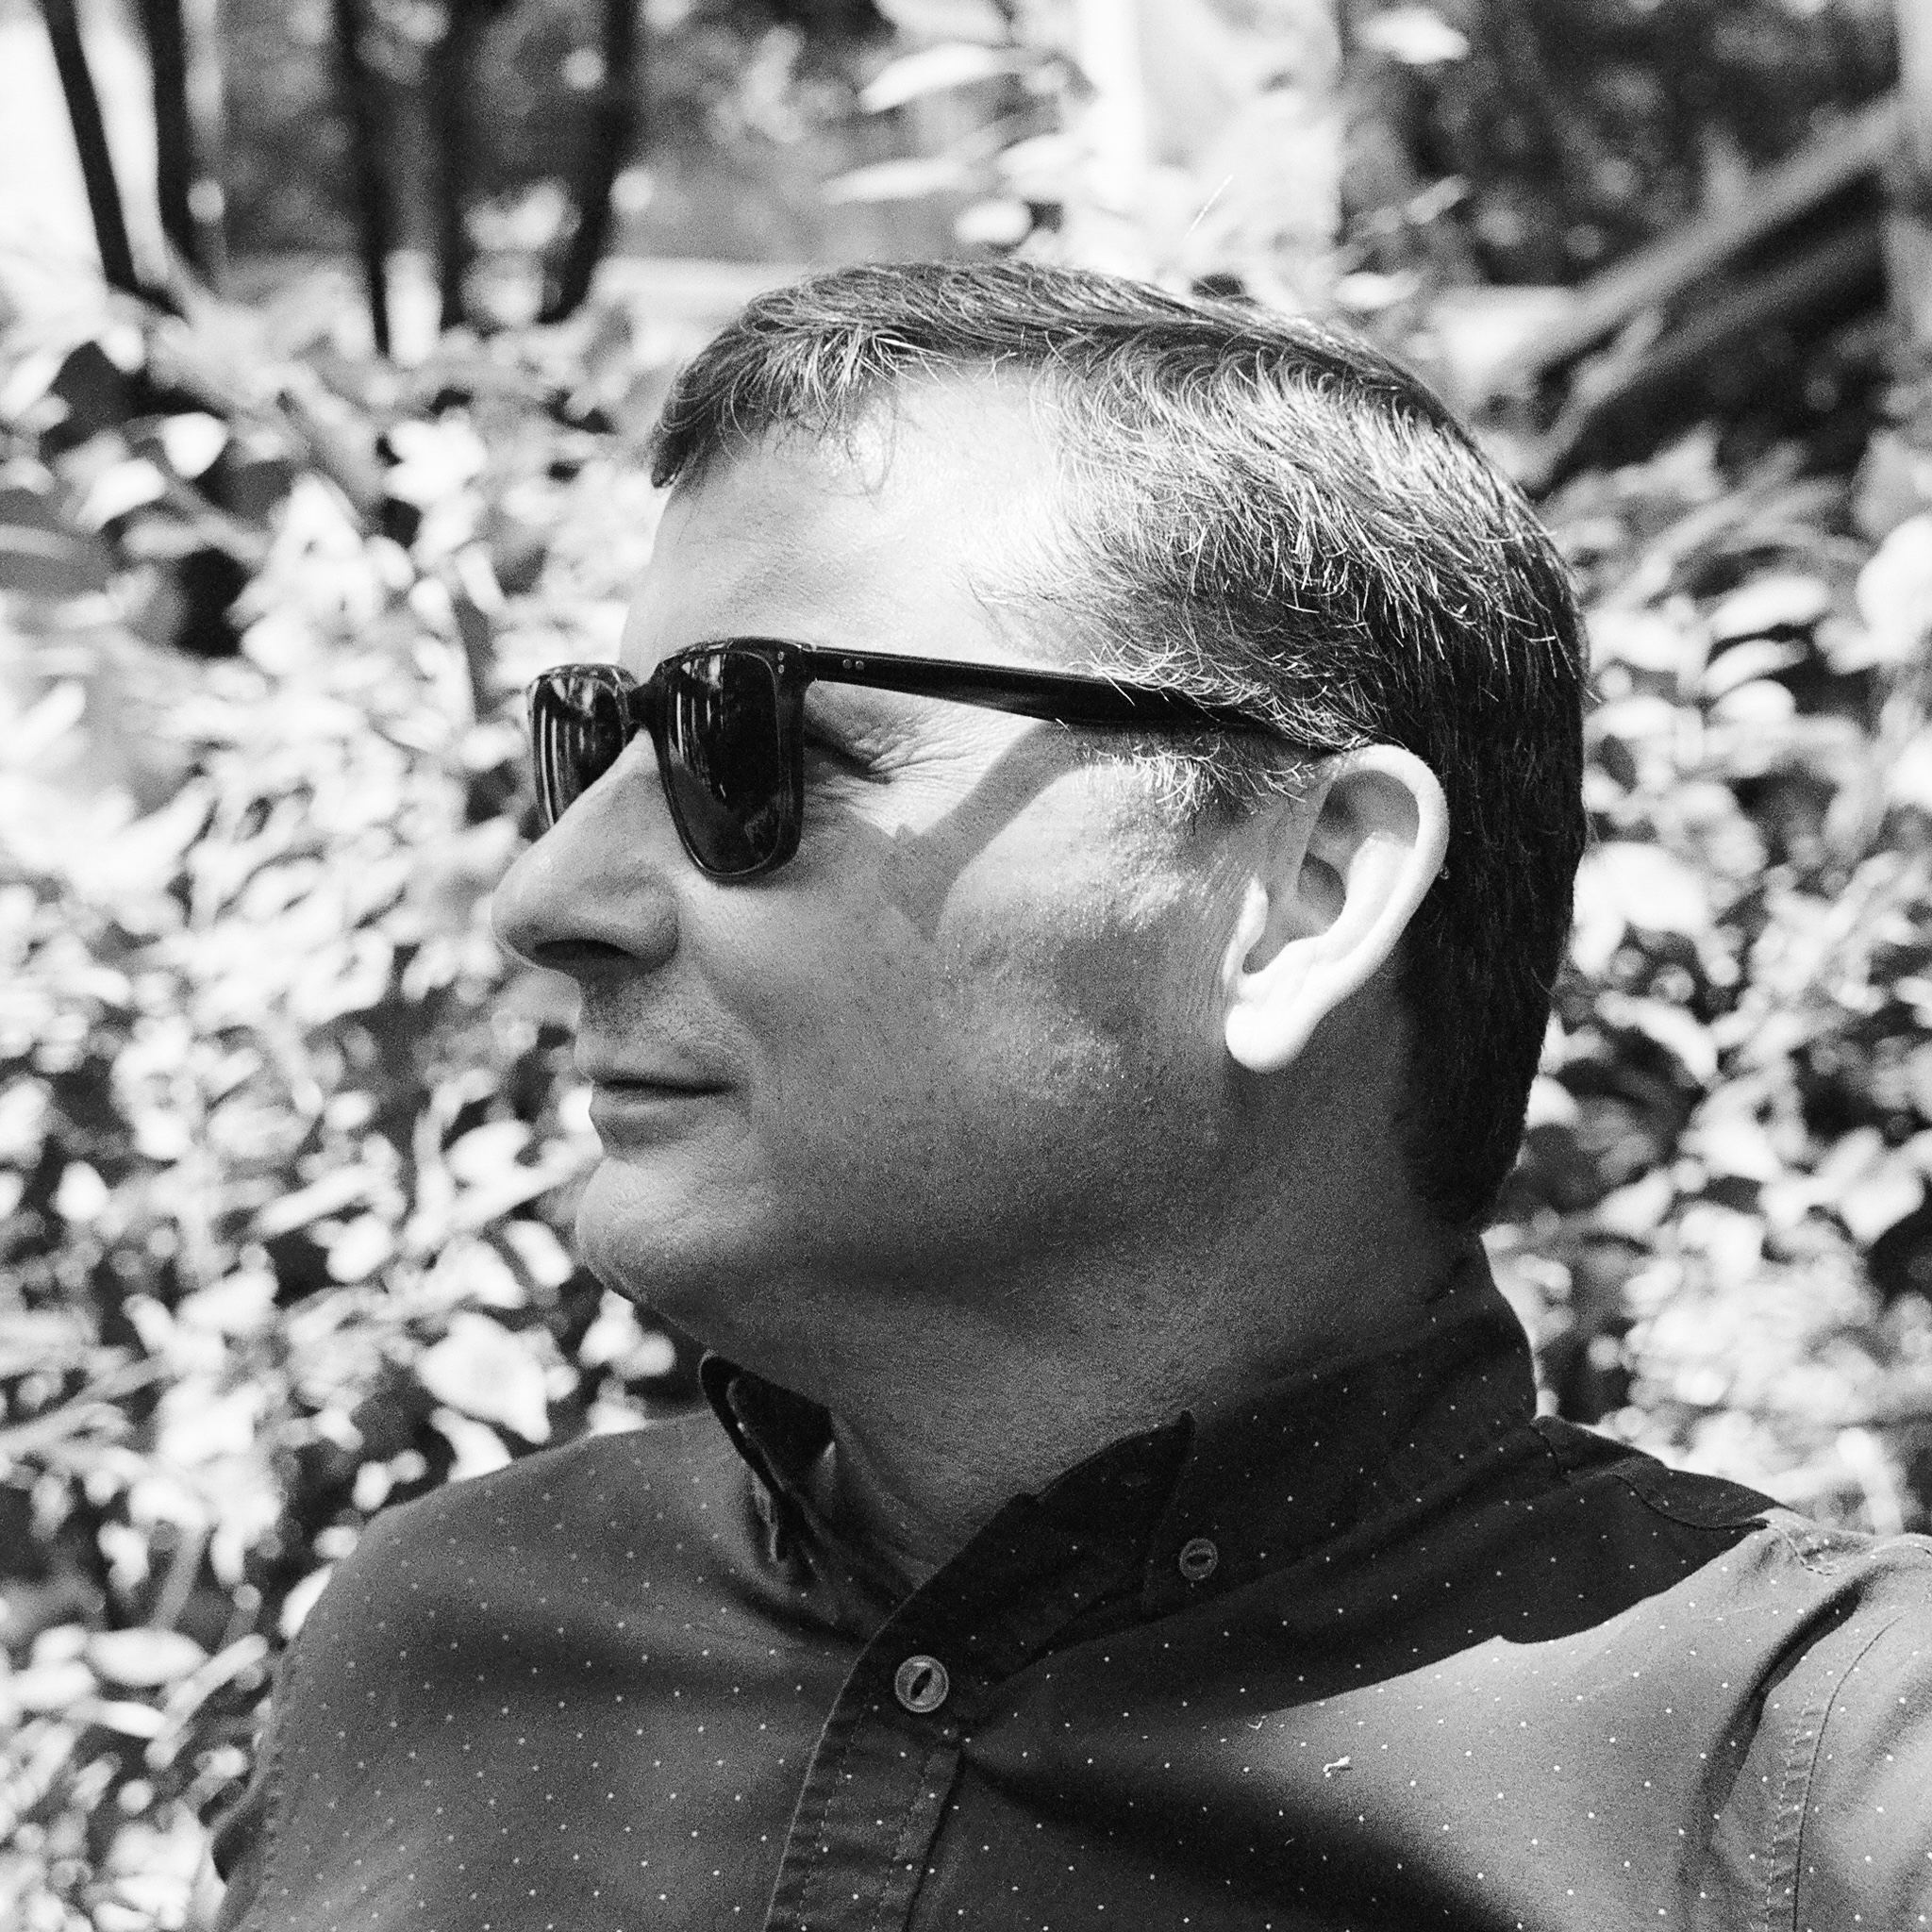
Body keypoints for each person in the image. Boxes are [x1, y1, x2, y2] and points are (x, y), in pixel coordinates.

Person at [211, 260, 1932, 1932]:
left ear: (1310, 893)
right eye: (594, 741)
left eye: (753, 747)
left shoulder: (1828, 1797)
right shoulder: (438, 1641)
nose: (545, 898)